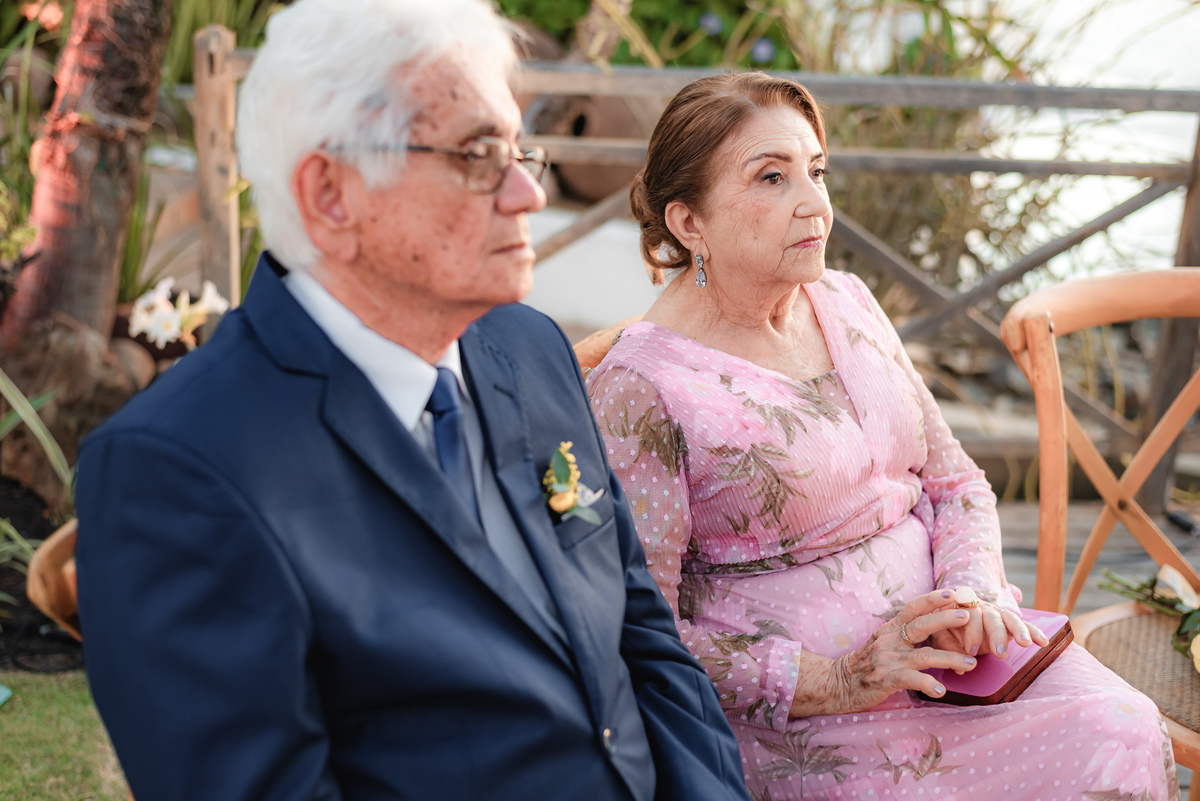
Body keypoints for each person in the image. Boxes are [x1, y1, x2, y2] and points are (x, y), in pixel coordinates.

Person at [72, 2, 751, 799]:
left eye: (518, 148)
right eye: (477, 154)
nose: (529, 192)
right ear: (331, 193)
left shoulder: (527, 349)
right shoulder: (175, 467)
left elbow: (642, 638)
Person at [587, 72, 1179, 800]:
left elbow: (956, 480)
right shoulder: (641, 389)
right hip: (810, 719)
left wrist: (973, 595)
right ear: (688, 222)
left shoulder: (848, 299)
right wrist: (844, 676)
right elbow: (639, 626)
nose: (815, 205)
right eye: (772, 178)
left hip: (964, 669)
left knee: (1125, 727)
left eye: (817, 171)